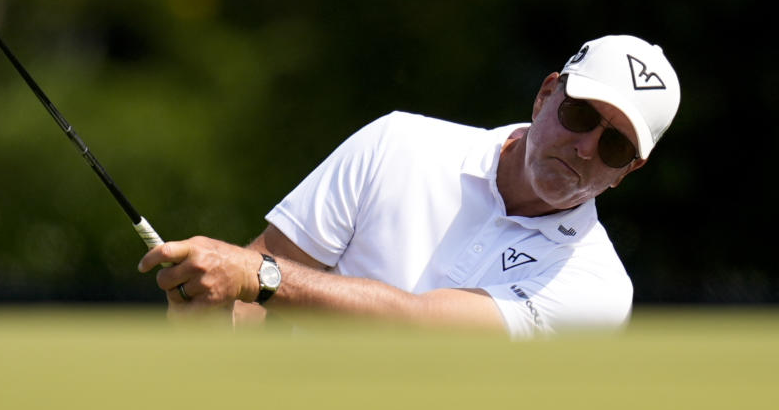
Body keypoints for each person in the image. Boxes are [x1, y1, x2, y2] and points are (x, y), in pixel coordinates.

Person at [138, 35, 680, 338]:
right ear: (545, 96)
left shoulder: (600, 290)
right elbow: (251, 299)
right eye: (580, 115)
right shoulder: (397, 142)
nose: (585, 147)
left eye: (614, 146)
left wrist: (257, 277)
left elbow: (424, 328)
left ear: (628, 171)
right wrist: (210, 319)